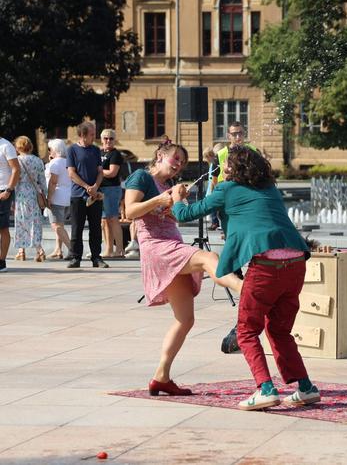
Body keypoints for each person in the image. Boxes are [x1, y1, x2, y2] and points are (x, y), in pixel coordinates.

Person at [172, 145, 321, 411]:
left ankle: (265, 389)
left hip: (266, 267)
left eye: (226, 164)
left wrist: (177, 197)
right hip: (296, 263)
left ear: (233, 168)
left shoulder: (227, 189)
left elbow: (186, 214)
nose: (223, 167)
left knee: (247, 331)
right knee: (279, 329)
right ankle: (306, 388)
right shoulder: (269, 189)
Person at [124, 138, 242, 396]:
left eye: (182, 163)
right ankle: (246, 291)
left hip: (171, 246)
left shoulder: (167, 186)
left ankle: (161, 377)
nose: (179, 165)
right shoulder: (141, 179)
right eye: (175, 158)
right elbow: (130, 211)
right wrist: (159, 200)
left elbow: (177, 217)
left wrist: (176, 202)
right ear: (159, 156)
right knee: (208, 257)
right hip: (157, 247)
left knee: (185, 319)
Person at [66, 121, 107, 269]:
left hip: (95, 195)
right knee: (77, 227)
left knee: (96, 228)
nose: (94, 136)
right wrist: (86, 186)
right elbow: (71, 173)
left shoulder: (95, 150)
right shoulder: (72, 150)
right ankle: (75, 257)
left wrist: (95, 186)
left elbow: (100, 171)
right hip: (78, 195)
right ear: (83, 135)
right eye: (91, 134)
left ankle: (96, 257)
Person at [13, 136, 47, 262]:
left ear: (18, 147)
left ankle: (21, 251)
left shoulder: (16, 160)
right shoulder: (37, 161)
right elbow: (42, 180)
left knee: (21, 221)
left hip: (20, 193)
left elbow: (15, 180)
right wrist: (45, 194)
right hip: (34, 194)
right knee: (35, 222)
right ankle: (39, 250)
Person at [99, 129, 124, 258]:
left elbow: (112, 172)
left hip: (112, 189)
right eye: (106, 138)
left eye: (111, 138)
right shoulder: (99, 152)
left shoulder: (115, 154)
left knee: (113, 218)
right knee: (104, 221)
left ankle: (119, 250)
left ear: (114, 140)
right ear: (101, 139)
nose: (108, 141)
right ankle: (108, 249)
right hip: (101, 189)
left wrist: (97, 171)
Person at [45, 139, 72, 259]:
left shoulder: (55, 163)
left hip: (57, 197)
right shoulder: (67, 161)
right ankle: (58, 250)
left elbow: (53, 182)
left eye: (49, 149)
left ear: (54, 150)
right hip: (68, 196)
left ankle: (73, 249)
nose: (49, 152)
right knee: (60, 224)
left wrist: (49, 198)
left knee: (56, 225)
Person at [0, 136, 20, 272]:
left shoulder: (6, 146)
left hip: (3, 190)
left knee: (2, 227)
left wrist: (8, 189)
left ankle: (1, 261)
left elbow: (16, 169)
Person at [203, 146, 220, 231]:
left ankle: (215, 222)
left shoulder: (214, 164)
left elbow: (213, 178)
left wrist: (212, 189)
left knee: (213, 206)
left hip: (213, 188)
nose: (205, 160)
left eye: (206, 157)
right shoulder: (211, 165)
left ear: (210, 156)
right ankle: (214, 221)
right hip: (211, 187)